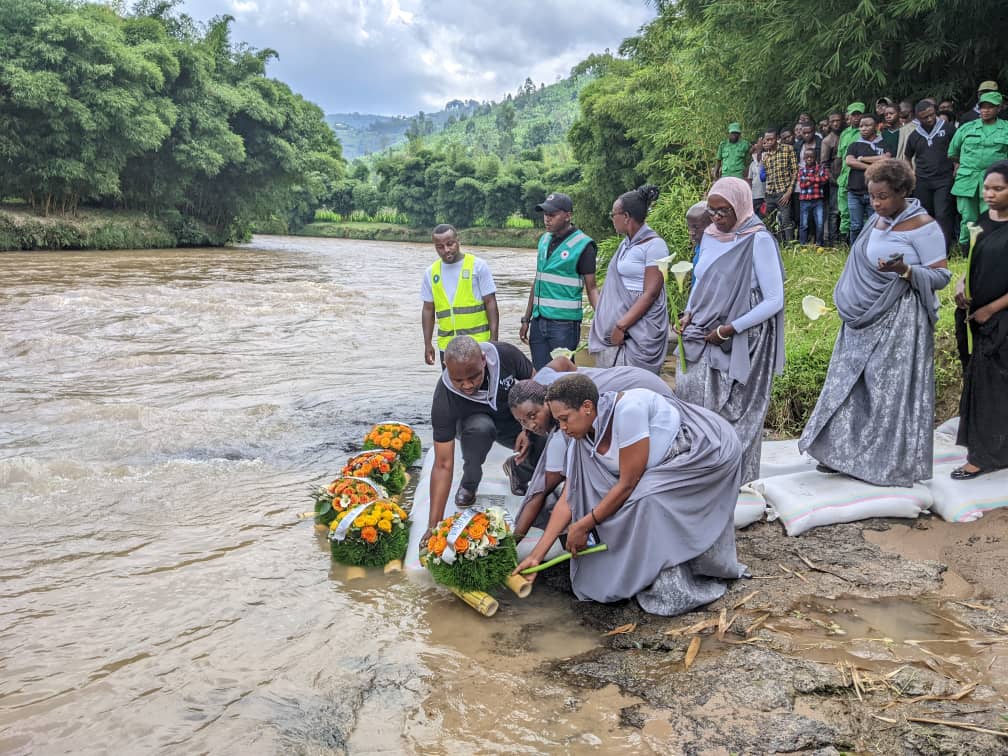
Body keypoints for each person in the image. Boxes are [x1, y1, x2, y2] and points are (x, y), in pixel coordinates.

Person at [513, 374, 747, 616]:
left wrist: (583, 525)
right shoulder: (578, 436)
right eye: (558, 420)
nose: (561, 428)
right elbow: (569, 497)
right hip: (650, 466)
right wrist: (536, 557)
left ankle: (674, 573)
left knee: (645, 501)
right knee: (606, 503)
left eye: (564, 419)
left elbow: (627, 484)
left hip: (701, 452)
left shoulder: (628, 412)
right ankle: (631, 570)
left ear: (586, 407)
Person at [799, 159, 951, 487]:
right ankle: (840, 453)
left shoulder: (923, 226)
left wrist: (905, 271)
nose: (877, 203)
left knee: (887, 391)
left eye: (883, 197)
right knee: (848, 382)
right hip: (863, 316)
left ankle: (884, 463)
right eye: (872, 197)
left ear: (903, 192)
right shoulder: (876, 221)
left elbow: (941, 276)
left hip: (900, 318)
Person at [675, 177, 785, 483]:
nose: (717, 218)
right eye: (712, 211)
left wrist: (729, 329)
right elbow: (701, 282)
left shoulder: (757, 240)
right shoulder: (710, 236)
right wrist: (688, 314)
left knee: (738, 408)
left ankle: (735, 478)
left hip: (743, 335)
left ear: (741, 205)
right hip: (702, 331)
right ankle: (700, 474)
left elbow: (774, 299)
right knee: (695, 399)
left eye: (724, 211)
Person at [507, 358, 675, 538]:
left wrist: (586, 522)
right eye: (522, 422)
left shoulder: (579, 410)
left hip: (649, 396)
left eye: (532, 416)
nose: (531, 425)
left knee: (614, 478)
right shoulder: (542, 387)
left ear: (547, 402)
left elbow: (546, 490)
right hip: (638, 387)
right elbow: (563, 362)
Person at [426, 336, 546, 537]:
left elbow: (536, 388)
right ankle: (469, 483)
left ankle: (518, 470)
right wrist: (433, 527)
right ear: (446, 367)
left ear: (483, 360)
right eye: (459, 380)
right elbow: (443, 464)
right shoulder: (444, 397)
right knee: (481, 427)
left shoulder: (506, 355)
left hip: (510, 418)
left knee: (545, 435)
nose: (467, 385)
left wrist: (527, 429)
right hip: (473, 427)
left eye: (474, 376)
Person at [952, 161, 1008, 479]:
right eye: (987, 188)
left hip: (1000, 321)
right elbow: (973, 264)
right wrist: (961, 285)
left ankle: (982, 457)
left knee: (993, 386)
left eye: (998, 189)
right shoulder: (984, 222)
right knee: (977, 381)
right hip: (975, 317)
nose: (989, 194)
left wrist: (992, 309)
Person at [588, 185, 670, 373]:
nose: (611, 218)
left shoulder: (655, 245)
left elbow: (651, 293)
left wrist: (621, 325)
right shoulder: (626, 245)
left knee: (633, 386)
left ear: (626, 216)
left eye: (613, 214)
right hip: (620, 331)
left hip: (637, 333)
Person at [520, 192, 599, 369]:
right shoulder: (544, 240)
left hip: (564, 325)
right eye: (545, 215)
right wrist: (526, 319)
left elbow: (592, 288)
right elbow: (538, 280)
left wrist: (602, 322)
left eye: (552, 215)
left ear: (568, 216)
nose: (547, 219)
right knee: (541, 374)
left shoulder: (583, 245)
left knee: (563, 376)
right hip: (539, 322)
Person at [421, 224, 498, 367]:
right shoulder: (431, 273)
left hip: (478, 344)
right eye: (440, 247)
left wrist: (494, 340)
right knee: (452, 387)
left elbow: (490, 303)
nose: (446, 250)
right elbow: (428, 310)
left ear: (458, 241)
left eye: (450, 244)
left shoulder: (478, 266)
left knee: (480, 386)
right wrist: (427, 344)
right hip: (448, 347)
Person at [949, 91, 1008, 246]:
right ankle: (965, 252)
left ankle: (988, 248)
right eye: (982, 107)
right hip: (967, 180)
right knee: (967, 218)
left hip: (994, 182)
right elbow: (952, 153)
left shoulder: (1006, 129)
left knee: (990, 216)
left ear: (999, 108)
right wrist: (969, 164)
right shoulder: (966, 128)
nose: (985, 110)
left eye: (990, 107)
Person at [905, 99, 957, 252]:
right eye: (924, 117)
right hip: (922, 180)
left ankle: (944, 251)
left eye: (931, 115)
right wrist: (911, 174)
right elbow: (907, 156)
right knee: (925, 215)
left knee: (943, 214)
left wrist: (956, 167)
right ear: (917, 118)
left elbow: (958, 149)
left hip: (944, 179)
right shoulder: (914, 135)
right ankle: (927, 250)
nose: (929, 119)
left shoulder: (948, 129)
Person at [845, 114, 889, 242]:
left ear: (876, 127)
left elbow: (886, 159)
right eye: (861, 126)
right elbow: (849, 161)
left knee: (875, 225)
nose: (863, 128)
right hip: (855, 192)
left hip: (875, 194)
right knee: (855, 226)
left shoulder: (883, 143)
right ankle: (854, 253)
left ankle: (871, 252)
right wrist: (870, 167)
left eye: (867, 125)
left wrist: (862, 158)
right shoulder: (854, 145)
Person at [762, 128, 798, 241]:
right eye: (766, 140)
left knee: (786, 220)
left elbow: (795, 171)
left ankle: (789, 246)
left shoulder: (788, 149)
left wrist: (789, 191)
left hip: (783, 192)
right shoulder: (765, 155)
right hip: (770, 193)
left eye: (770, 139)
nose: (768, 142)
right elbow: (767, 176)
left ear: (777, 139)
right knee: (769, 221)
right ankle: (773, 245)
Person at [837, 102, 865, 241]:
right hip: (844, 178)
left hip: (861, 178)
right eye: (853, 114)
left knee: (861, 216)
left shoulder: (868, 132)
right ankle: (845, 243)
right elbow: (840, 156)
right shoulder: (844, 134)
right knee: (844, 211)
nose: (856, 117)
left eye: (858, 114)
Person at [797, 146, 830, 245]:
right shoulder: (801, 170)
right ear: (804, 158)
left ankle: (819, 244)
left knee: (819, 223)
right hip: (804, 200)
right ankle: (803, 244)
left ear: (815, 157)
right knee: (804, 224)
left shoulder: (820, 168)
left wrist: (809, 179)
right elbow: (802, 185)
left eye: (811, 157)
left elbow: (825, 179)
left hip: (817, 200)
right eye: (807, 157)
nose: (809, 159)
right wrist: (815, 179)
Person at [820, 112, 844, 244]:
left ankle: (844, 239)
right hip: (835, 181)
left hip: (848, 179)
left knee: (845, 211)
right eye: (833, 121)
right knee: (834, 211)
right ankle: (834, 242)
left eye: (838, 120)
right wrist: (833, 180)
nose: (836, 123)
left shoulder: (846, 136)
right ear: (829, 123)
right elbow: (824, 164)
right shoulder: (828, 140)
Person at [748, 139, 766, 217]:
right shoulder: (752, 164)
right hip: (755, 195)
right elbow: (750, 179)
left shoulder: (766, 159)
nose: (755, 153)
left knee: (766, 215)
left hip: (766, 194)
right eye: (754, 151)